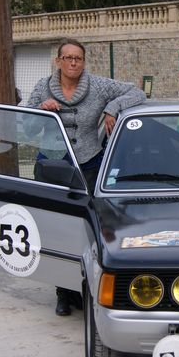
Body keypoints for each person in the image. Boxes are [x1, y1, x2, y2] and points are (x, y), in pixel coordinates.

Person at [25, 38, 145, 316]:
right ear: (58, 61)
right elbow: (28, 130)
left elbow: (136, 93)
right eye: (67, 58)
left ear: (84, 62)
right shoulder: (42, 88)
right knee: (56, 227)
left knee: (87, 227)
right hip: (52, 164)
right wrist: (40, 111)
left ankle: (84, 286)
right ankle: (61, 291)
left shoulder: (99, 85)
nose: (73, 63)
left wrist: (111, 108)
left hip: (89, 164)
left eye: (78, 58)